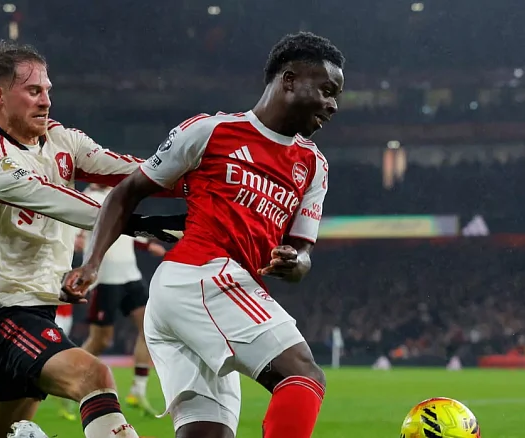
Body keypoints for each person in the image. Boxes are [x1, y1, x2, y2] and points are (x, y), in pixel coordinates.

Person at [63, 31, 344, 438]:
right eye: (327, 90)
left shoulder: (313, 165)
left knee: (207, 433)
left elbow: (302, 256)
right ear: (289, 79)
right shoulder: (211, 131)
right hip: (200, 276)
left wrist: (294, 262)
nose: (333, 105)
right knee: (303, 375)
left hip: (213, 292)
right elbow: (126, 192)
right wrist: (92, 263)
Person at [0, 40, 183, 438]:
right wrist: (142, 223)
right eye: (33, 91)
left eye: (47, 90)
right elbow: (59, 201)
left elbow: (129, 172)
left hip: (41, 309)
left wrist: (195, 180)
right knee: (93, 376)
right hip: (6, 316)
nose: (46, 100)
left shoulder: (61, 139)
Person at [53, 198, 166, 421]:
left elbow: (125, 228)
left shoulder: (121, 194)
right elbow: (74, 230)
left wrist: (146, 245)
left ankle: (138, 390)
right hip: (105, 280)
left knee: (148, 328)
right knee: (100, 340)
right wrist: (76, 240)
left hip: (130, 276)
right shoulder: (88, 197)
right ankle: (69, 383)